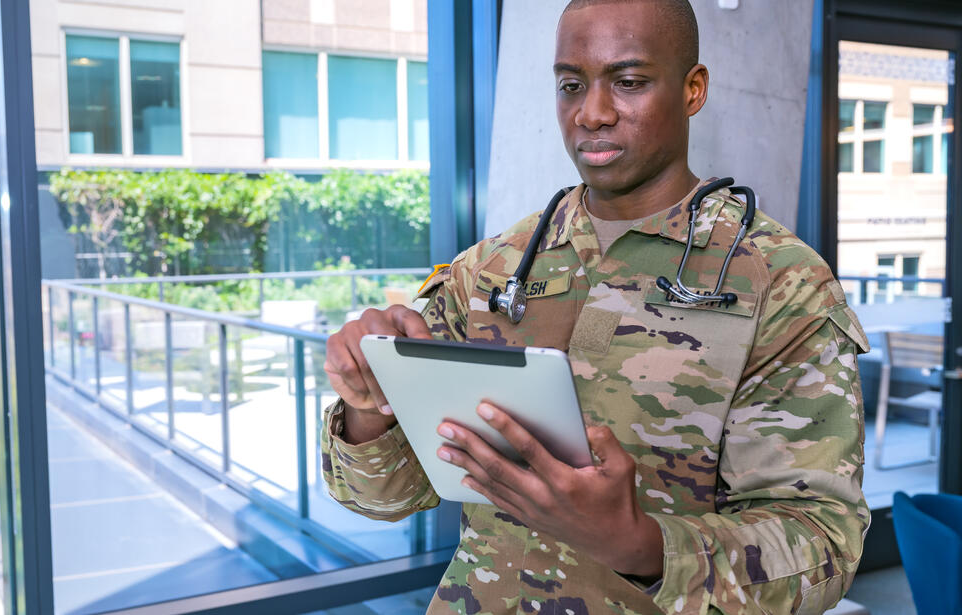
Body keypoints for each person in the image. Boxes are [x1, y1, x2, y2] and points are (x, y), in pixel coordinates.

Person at [321, 0, 870, 613]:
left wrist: (641, 546)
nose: (592, 113)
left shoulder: (780, 282)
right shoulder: (492, 268)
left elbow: (824, 545)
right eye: (571, 85)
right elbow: (382, 498)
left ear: (693, 90)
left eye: (629, 83)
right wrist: (368, 405)